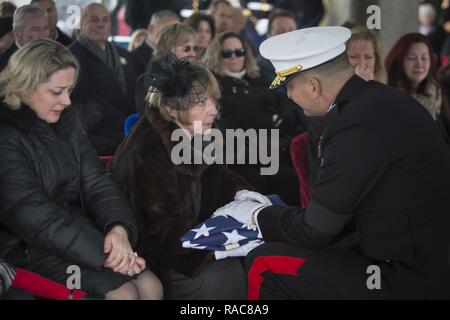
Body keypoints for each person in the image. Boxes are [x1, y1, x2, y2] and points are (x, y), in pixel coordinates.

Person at [212, 26, 450, 299]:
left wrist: (256, 216)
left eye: (289, 85)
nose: (289, 95)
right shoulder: (385, 101)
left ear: (313, 86)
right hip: (417, 260)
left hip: (402, 278)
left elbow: (315, 230)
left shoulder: (354, 126)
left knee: (264, 262)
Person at [0, 39, 163, 299]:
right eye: (57, 92)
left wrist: (119, 229)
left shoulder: (66, 124)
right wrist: (106, 253)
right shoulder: (6, 134)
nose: (66, 101)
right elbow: (30, 214)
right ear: (25, 86)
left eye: (69, 90)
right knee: (125, 293)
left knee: (151, 285)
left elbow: (97, 183)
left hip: (78, 239)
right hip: (26, 251)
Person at [109, 53, 248, 300]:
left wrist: (243, 194)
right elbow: (160, 229)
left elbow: (220, 178)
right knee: (223, 277)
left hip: (192, 239)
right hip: (154, 255)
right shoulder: (149, 149)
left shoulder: (200, 132)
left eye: (214, 101)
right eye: (202, 103)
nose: (214, 111)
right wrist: (219, 244)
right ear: (171, 109)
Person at [203, 31, 305, 206]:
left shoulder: (257, 77)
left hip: (280, 143)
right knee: (282, 179)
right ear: (217, 56)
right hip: (246, 155)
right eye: (227, 53)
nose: (234, 57)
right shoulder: (216, 86)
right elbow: (230, 124)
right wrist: (268, 120)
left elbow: (284, 102)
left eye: (239, 52)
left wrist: (282, 117)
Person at [69, 3, 138, 156]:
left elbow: (133, 90)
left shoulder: (123, 53)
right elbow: (85, 100)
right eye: (94, 20)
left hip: (128, 126)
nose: (101, 24)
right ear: (81, 24)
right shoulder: (72, 57)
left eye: (105, 20)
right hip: (98, 133)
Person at [385, 32, 450, 136]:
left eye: (424, 58)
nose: (419, 64)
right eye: (411, 57)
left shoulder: (440, 95)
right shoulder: (385, 96)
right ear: (399, 60)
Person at [135, 23, 197, 114]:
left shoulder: (185, 71)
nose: (193, 54)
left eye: (194, 48)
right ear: (168, 48)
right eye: (186, 49)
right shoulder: (159, 75)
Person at [0, 4, 50, 72]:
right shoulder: (4, 65)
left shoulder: (56, 57)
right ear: (17, 32)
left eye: (46, 28)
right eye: (35, 29)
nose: (43, 34)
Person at [131, 10, 179, 75]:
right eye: (167, 30)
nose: (173, 35)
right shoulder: (135, 58)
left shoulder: (176, 57)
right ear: (151, 29)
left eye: (176, 31)